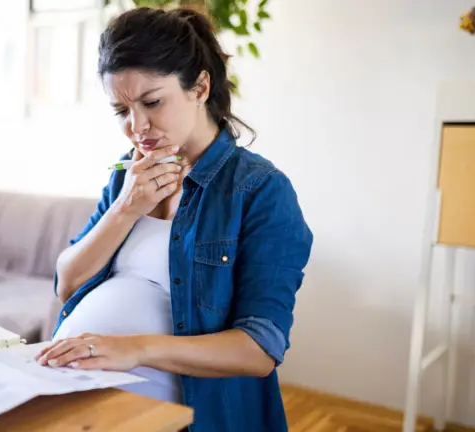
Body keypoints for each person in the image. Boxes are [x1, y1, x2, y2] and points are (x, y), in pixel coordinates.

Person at [34, 6, 313, 431]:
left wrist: (133, 349)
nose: (136, 127)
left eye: (152, 102)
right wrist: (126, 207)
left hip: (184, 417)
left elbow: (259, 349)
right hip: (75, 400)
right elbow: (66, 282)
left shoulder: (260, 190)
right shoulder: (128, 176)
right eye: (121, 111)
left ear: (200, 86)